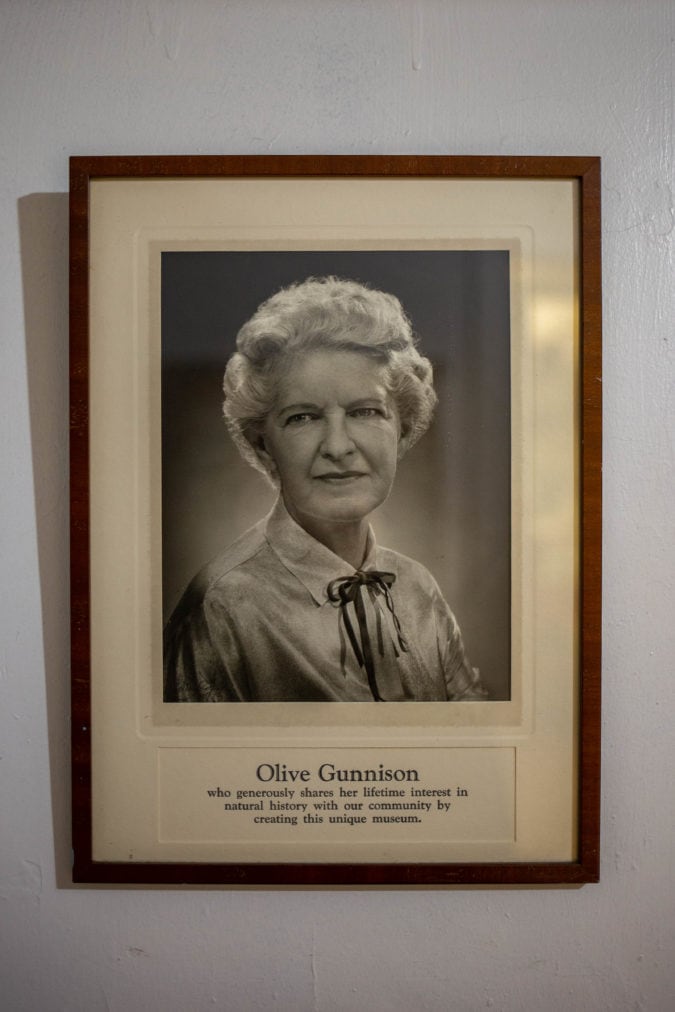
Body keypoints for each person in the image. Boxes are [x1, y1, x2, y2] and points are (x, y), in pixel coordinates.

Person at [163, 276, 487, 703]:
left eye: (366, 411)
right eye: (302, 417)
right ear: (263, 443)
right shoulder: (221, 608)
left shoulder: (416, 588)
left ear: (401, 429)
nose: (337, 446)